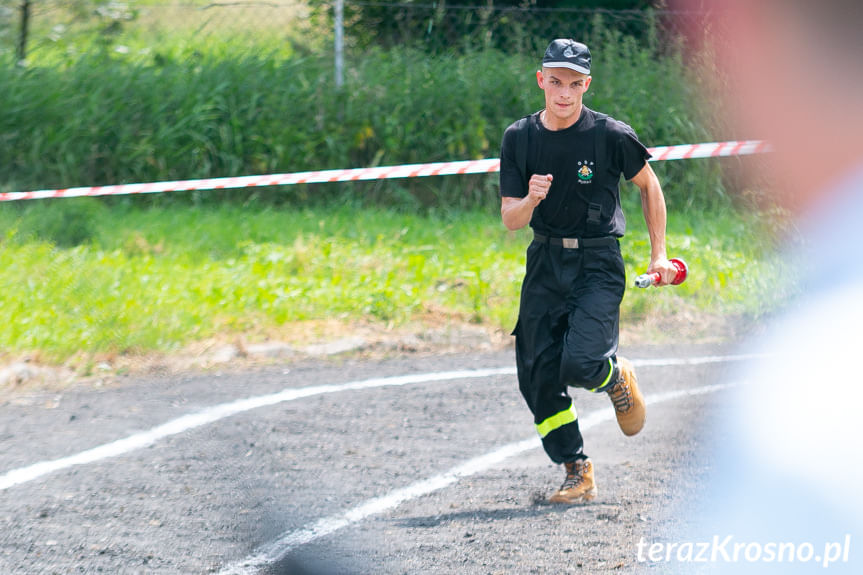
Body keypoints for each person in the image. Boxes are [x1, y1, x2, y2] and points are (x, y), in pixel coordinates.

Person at [498, 38, 677, 504]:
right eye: (555, 81)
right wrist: (531, 199)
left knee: (579, 363)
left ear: (586, 85)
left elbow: (648, 185)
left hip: (597, 262)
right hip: (544, 261)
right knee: (536, 374)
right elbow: (510, 219)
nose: (563, 92)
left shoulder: (609, 135)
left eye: (574, 84)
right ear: (541, 80)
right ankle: (577, 469)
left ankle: (614, 378)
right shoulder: (519, 138)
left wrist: (659, 255)